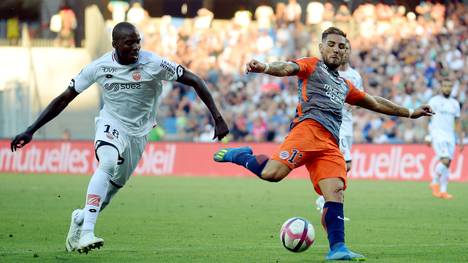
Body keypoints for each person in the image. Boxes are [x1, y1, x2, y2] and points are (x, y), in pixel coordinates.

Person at [214, 27, 434, 261]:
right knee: (271, 174)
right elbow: (288, 67)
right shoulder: (311, 65)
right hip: (307, 130)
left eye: (341, 47)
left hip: (329, 143)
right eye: (331, 44)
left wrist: (411, 112)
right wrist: (266, 67)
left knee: (336, 193)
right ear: (321, 47)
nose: (336, 50)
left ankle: (338, 248)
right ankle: (241, 155)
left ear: (345, 53)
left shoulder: (344, 85)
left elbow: (375, 102)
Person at [10, 22, 229, 254]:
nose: (135, 47)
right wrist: (31, 129)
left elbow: (195, 80)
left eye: (138, 41)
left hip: (139, 133)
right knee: (107, 162)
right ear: (115, 44)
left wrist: (217, 117)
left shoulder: (153, 63)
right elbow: (65, 98)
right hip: (111, 123)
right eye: (129, 42)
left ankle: (80, 218)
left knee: (110, 193)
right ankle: (87, 234)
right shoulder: (98, 67)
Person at [315, 39, 364, 218]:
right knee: (345, 163)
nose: (342, 51)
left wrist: (354, 104)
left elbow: (360, 99)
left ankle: (329, 200)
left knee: (346, 165)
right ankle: (326, 200)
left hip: (348, 124)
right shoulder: (327, 72)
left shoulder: (355, 76)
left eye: (346, 49)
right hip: (335, 123)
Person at [427, 74, 464, 199]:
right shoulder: (434, 101)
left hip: (450, 136)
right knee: (445, 160)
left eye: (449, 86)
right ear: (441, 87)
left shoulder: (455, 103)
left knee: (447, 164)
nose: (447, 88)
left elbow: (458, 122)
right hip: (438, 134)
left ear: (452, 88)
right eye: (445, 86)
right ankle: (433, 182)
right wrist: (428, 135)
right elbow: (425, 118)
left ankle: (443, 191)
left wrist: (460, 139)